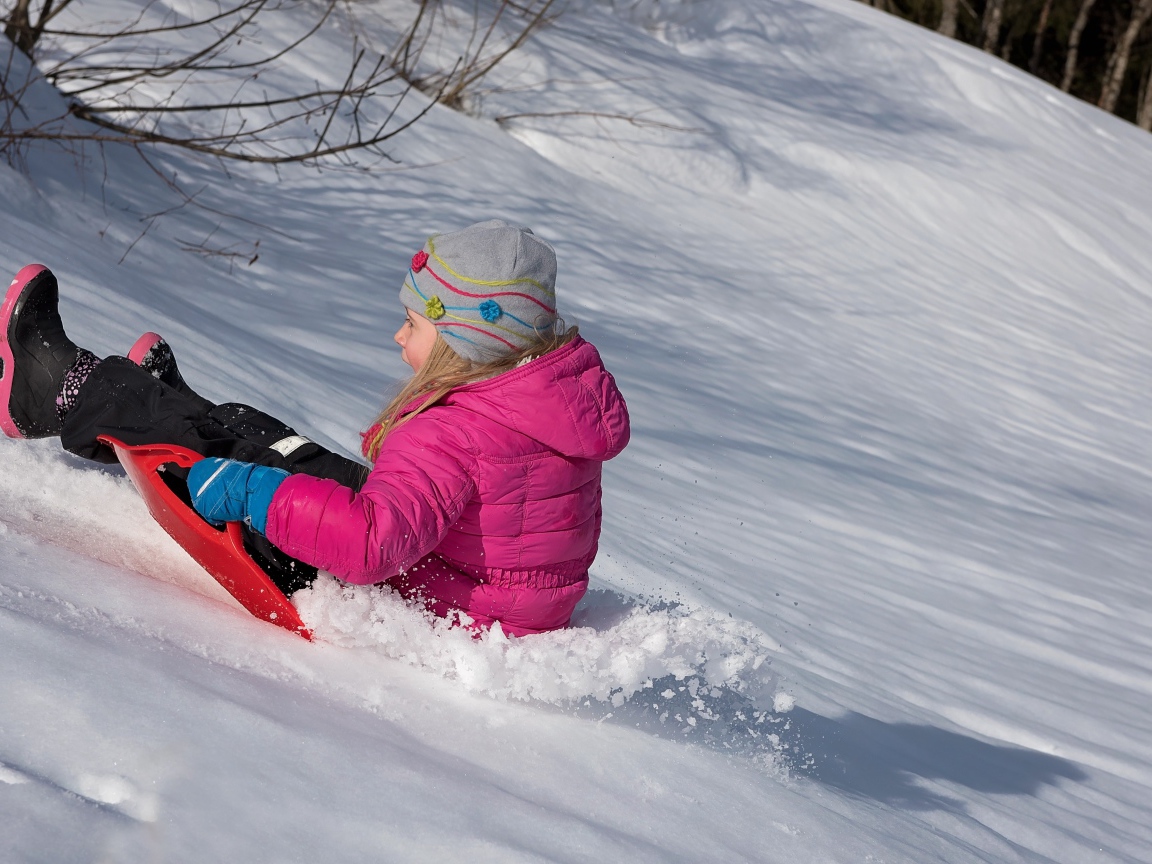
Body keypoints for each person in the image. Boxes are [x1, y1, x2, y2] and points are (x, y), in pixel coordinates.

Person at [0, 220, 630, 636]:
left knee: (245, 466)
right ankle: (183, 408)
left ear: (464, 343)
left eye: (413, 325)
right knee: (270, 441)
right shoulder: (541, 407)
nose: (398, 336)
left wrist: (253, 494)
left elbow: (366, 545)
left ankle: (57, 390)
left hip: (407, 601)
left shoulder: (451, 434)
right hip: (457, 586)